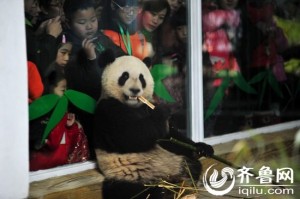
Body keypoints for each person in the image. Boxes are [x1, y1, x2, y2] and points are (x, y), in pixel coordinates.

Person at [29, 71, 90, 171]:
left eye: (67, 89)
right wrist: (61, 121)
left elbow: (69, 144)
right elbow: (53, 143)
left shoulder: (65, 114)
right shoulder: (40, 115)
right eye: (63, 90)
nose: (66, 94)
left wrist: (71, 127)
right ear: (50, 89)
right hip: (40, 173)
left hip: (59, 170)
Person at [24, 0, 63, 79]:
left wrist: (37, 34)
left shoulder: (28, 29)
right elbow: (41, 68)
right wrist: (51, 36)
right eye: (34, 4)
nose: (38, 10)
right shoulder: (20, 28)